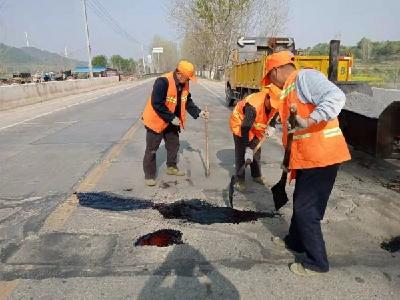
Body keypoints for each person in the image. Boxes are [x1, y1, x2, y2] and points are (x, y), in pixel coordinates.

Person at [262, 51, 351, 276]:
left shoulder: (304, 78)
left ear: (275, 71)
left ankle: (317, 262)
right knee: (300, 201)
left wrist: (309, 120)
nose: (271, 83)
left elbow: (336, 96)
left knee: (306, 209)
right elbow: (294, 131)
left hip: (323, 156)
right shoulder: (290, 89)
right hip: (308, 158)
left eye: (269, 78)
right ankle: (295, 242)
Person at [142, 60, 209, 186]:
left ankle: (171, 167)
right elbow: (156, 103)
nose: (189, 80)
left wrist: (199, 113)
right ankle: (149, 176)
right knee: (152, 149)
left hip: (172, 120)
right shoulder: (163, 82)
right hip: (156, 120)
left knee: (174, 145)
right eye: (187, 77)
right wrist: (171, 117)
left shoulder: (185, 84)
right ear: (179, 74)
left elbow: (187, 101)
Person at [229, 86, 281, 192]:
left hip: (255, 125)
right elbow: (245, 128)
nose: (272, 107)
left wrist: (272, 125)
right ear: (267, 98)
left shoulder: (275, 102)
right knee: (241, 153)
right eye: (271, 104)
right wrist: (247, 147)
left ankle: (256, 175)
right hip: (240, 123)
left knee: (256, 151)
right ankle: (239, 180)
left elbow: (276, 113)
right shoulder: (252, 106)